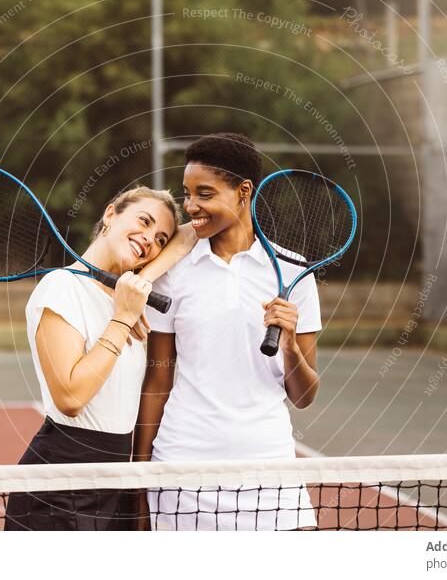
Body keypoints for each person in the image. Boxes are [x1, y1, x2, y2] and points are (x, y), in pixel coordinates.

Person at [134, 133, 321, 531]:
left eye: (204, 193)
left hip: (269, 468)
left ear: (243, 191)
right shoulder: (172, 272)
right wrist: (139, 475)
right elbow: (158, 378)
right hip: (182, 467)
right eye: (186, 194)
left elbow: (304, 396)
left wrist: (289, 347)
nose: (191, 207)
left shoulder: (294, 273)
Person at [4, 185, 182, 531]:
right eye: (143, 222)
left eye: (161, 239)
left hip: (116, 480)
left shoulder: (126, 295)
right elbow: (71, 397)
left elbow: (188, 236)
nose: (149, 239)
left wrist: (141, 280)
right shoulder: (61, 287)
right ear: (111, 214)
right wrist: (122, 318)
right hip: (60, 481)